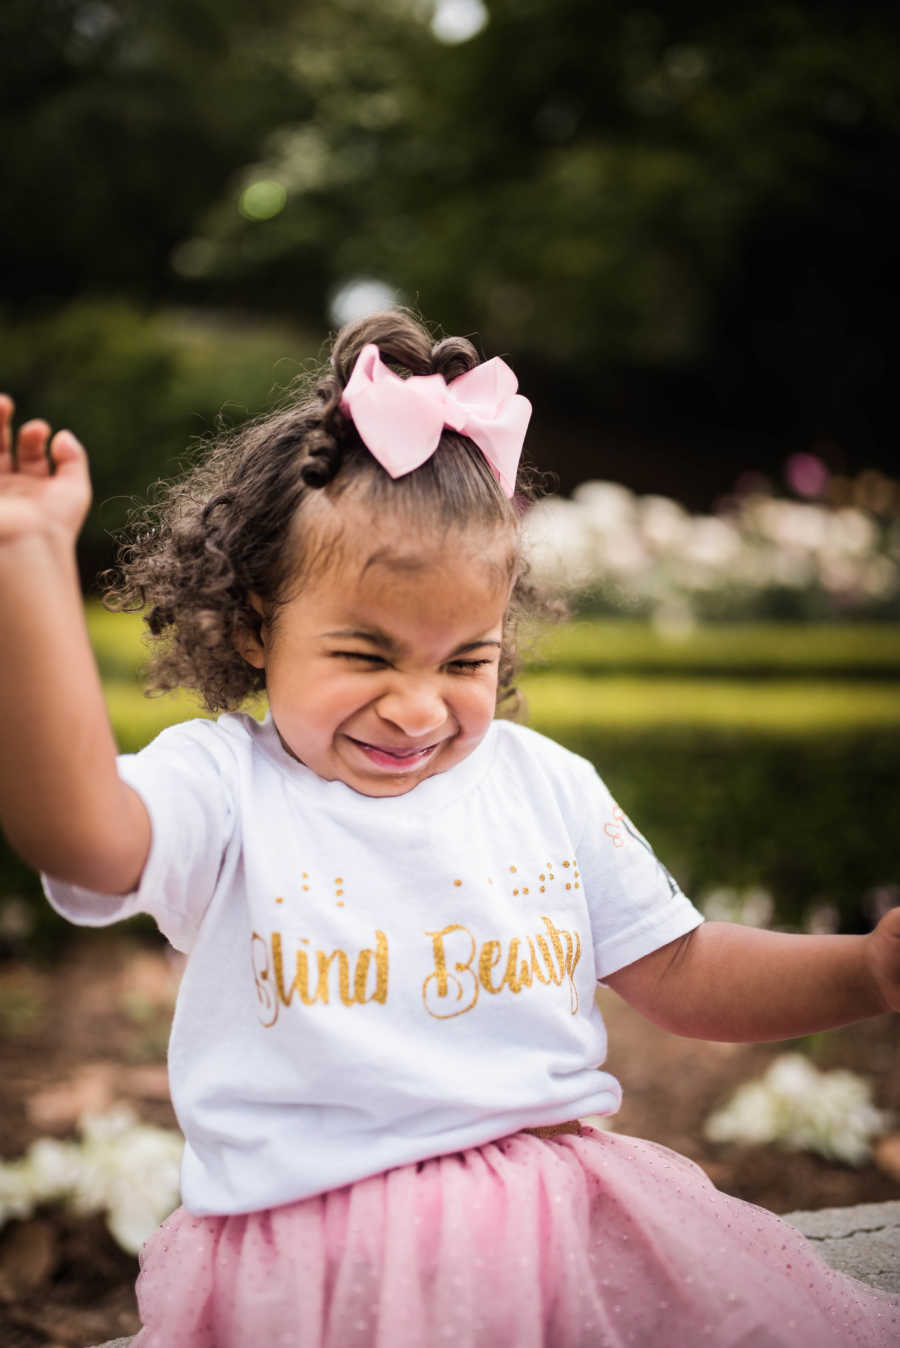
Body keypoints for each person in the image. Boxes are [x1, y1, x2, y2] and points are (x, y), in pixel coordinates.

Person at [1, 310, 898, 1348]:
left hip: (559, 1225)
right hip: (318, 1271)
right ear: (256, 625)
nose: (419, 709)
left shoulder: (540, 783)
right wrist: (27, 568)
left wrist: (868, 972)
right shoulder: (227, 785)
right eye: (368, 655)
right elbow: (77, 833)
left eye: (464, 661)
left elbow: (686, 969)